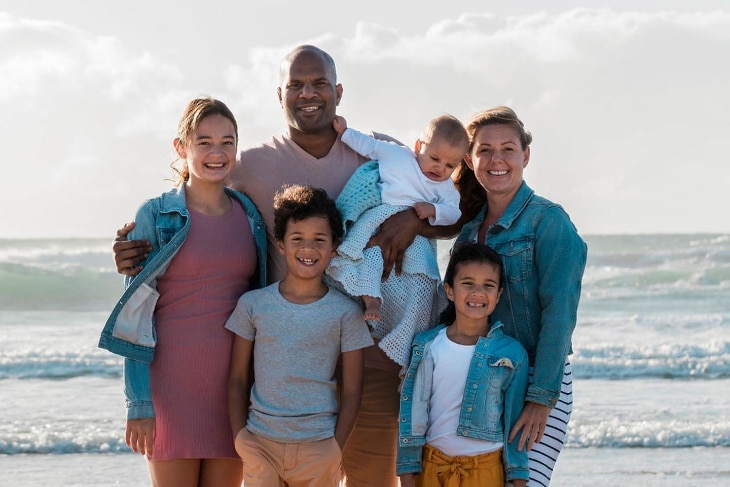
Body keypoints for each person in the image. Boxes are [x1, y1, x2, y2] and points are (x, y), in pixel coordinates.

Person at [111, 45, 423, 486]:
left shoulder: (381, 155)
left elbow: (449, 201)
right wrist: (129, 249)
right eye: (295, 84)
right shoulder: (249, 168)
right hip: (270, 369)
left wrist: (415, 219)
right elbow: (144, 298)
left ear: (338, 90)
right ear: (280, 95)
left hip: (363, 352)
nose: (307, 94)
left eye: (318, 84)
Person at [98, 97, 267, 487]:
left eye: (227, 141)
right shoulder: (156, 216)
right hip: (171, 387)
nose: (217, 152)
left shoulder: (250, 215)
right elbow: (136, 315)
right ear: (181, 147)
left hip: (235, 389)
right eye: (204, 142)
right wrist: (139, 404)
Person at [452, 105, 588, 486]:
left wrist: (542, 398)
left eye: (508, 149)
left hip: (535, 382)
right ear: (470, 159)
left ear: (525, 155)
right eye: (485, 150)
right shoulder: (468, 233)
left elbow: (559, 315)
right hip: (478, 380)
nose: (497, 159)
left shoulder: (549, 222)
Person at [226, 184, 373, 486]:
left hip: (319, 447)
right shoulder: (253, 304)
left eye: (319, 240)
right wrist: (240, 438)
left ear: (334, 246)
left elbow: (354, 388)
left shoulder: (347, 312)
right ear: (280, 243)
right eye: (297, 239)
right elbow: (238, 378)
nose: (308, 248)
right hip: (260, 444)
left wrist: (335, 448)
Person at [397, 242, 529, 487]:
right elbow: (413, 416)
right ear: (449, 290)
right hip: (432, 469)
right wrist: (407, 476)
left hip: (486, 472)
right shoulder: (427, 346)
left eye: (488, 286)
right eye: (467, 283)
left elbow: (514, 426)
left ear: (498, 295)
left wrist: (519, 480)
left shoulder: (512, 354)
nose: (477, 293)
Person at [328, 114, 466, 322]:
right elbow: (370, 146)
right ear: (419, 146)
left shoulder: (445, 188)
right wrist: (346, 132)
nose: (440, 169)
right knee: (363, 252)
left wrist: (433, 210)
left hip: (413, 230)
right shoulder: (397, 155)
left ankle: (406, 311)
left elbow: (454, 213)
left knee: (415, 269)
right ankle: (369, 294)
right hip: (379, 212)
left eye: (450, 166)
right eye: (435, 159)